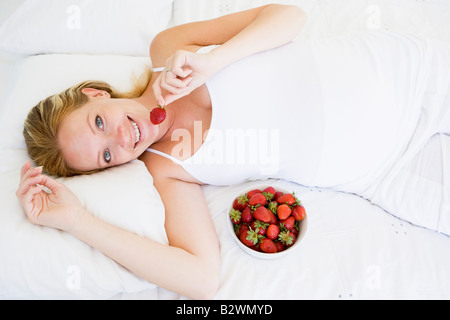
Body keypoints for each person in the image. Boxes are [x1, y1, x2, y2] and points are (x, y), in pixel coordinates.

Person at [16, 3, 450, 299]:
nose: (121, 139)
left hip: (409, 74)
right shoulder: (168, 171)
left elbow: (288, 16)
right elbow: (201, 279)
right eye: (106, 156)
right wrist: (75, 220)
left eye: (99, 124)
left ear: (95, 95)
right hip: (390, 169)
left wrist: (214, 60)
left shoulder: (167, 50)